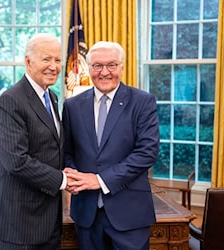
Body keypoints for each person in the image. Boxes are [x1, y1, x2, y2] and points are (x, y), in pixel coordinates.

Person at [62, 41, 160, 250]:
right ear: (89, 69)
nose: (104, 72)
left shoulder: (142, 102)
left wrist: (100, 180)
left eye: (112, 65)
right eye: (97, 65)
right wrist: (72, 174)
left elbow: (147, 153)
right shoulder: (72, 105)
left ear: (122, 68)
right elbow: (68, 151)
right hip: (86, 214)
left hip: (129, 214)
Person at [0, 33, 67, 249]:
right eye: (46, 59)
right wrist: (63, 180)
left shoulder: (51, 97)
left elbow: (52, 149)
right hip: (22, 222)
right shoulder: (11, 100)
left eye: (57, 60)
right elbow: (16, 161)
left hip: (49, 216)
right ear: (28, 61)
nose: (53, 66)